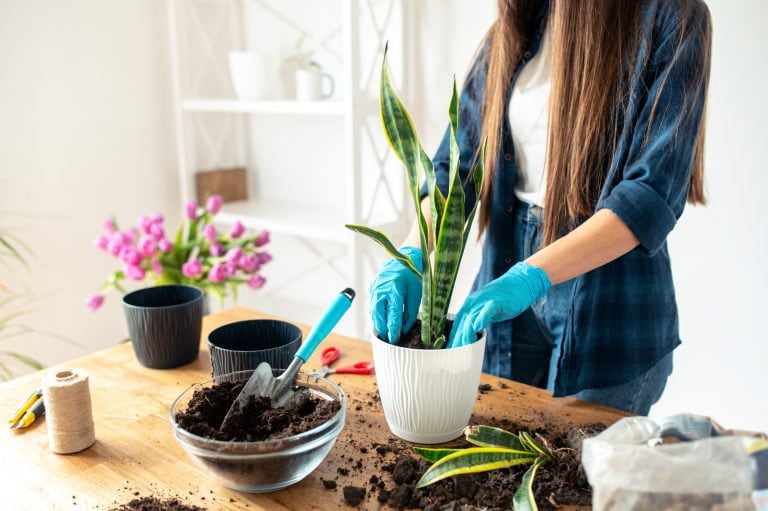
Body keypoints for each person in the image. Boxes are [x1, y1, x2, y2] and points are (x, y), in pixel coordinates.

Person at [368, 0, 712, 415]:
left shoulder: (673, 17)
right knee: (498, 456)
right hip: (506, 265)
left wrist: (532, 276)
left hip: (612, 301)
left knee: (576, 471)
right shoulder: (517, 27)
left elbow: (650, 194)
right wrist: (412, 253)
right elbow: (454, 169)